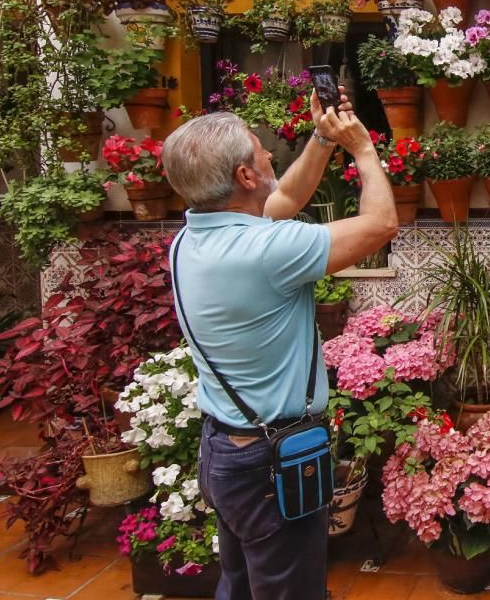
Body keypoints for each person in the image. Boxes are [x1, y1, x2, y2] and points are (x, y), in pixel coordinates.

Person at [161, 86, 397, 600]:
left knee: (243, 585)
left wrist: (321, 137)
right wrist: (363, 149)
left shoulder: (190, 238)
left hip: (226, 451)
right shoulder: (264, 252)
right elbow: (381, 225)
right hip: (269, 464)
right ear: (245, 177)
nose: (269, 151)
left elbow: (284, 200)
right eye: (260, 148)